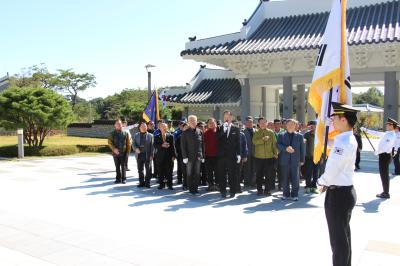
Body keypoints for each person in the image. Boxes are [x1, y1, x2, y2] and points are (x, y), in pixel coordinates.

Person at [317, 102, 359, 266]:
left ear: (343, 120)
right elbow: (333, 144)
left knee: (338, 242)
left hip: (338, 195)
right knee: (344, 237)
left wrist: (320, 181)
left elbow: (333, 168)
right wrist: (323, 134)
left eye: (335, 117)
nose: (332, 120)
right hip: (344, 192)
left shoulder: (344, 142)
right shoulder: (347, 138)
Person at [361, 118, 398, 199]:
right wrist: (366, 130)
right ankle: (385, 191)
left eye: (388, 124)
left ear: (392, 126)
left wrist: (377, 152)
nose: (386, 125)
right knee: (383, 174)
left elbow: (385, 147)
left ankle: (386, 193)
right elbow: (376, 133)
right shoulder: (387, 133)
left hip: (385, 156)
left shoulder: (391, 135)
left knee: (384, 174)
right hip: (383, 156)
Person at [277, 119, 305, 201]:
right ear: (286, 125)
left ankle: (294, 194)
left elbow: (302, 149)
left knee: (295, 178)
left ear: (295, 126)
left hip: (295, 161)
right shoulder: (281, 135)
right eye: (288, 124)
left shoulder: (300, 136)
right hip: (284, 160)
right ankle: (285, 194)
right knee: (284, 178)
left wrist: (302, 160)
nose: (290, 126)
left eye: (292, 124)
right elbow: (278, 145)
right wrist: (286, 148)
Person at [216, 110, 241, 198]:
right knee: (222, 174)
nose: (226, 118)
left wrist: (239, 154)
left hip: (232, 155)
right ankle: (223, 191)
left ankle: (232, 191)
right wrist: (224, 130)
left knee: (232, 174)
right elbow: (217, 138)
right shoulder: (219, 127)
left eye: (228, 116)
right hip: (221, 155)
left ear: (231, 117)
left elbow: (238, 142)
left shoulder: (236, 128)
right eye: (225, 116)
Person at [252, 117, 278, 196]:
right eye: (261, 123)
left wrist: (276, 153)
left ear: (267, 123)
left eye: (264, 123)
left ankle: (267, 190)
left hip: (269, 157)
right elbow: (254, 142)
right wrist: (262, 139)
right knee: (259, 175)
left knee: (268, 175)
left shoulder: (271, 133)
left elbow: (274, 144)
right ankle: (259, 190)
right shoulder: (256, 133)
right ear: (258, 124)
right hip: (258, 157)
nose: (262, 124)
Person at [181, 115, 204, 194]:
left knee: (197, 173)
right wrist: (184, 156)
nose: (193, 122)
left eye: (194, 121)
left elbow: (202, 145)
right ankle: (191, 188)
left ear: (196, 122)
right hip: (189, 157)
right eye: (191, 121)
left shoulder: (200, 131)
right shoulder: (185, 133)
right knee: (189, 173)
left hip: (198, 156)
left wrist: (203, 155)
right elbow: (183, 146)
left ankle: (196, 188)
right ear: (188, 122)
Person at [107, 119, 132, 184]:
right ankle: (118, 178)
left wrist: (128, 152)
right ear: (115, 125)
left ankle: (124, 179)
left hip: (123, 153)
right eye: (117, 124)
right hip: (115, 153)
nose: (119, 125)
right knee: (117, 166)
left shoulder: (125, 133)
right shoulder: (112, 133)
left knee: (123, 166)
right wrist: (114, 149)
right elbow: (110, 142)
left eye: (120, 124)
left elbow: (128, 144)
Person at [154, 122, 176, 189]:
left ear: (167, 128)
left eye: (165, 127)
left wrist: (174, 155)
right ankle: (161, 184)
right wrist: (161, 145)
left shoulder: (171, 136)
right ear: (159, 128)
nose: (164, 128)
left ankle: (170, 184)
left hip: (169, 156)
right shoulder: (156, 136)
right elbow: (155, 145)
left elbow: (173, 146)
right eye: (162, 127)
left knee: (169, 171)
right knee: (160, 171)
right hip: (160, 157)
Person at [133, 122, 154, 188]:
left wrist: (151, 155)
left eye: (145, 126)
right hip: (139, 155)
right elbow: (133, 144)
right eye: (142, 126)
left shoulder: (151, 135)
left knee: (148, 169)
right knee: (140, 169)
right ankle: (141, 182)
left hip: (147, 155)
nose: (144, 127)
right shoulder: (136, 135)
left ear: (147, 127)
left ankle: (147, 183)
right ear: (139, 128)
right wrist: (136, 149)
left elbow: (152, 146)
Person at [303, 120, 319, 194]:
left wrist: (321, 157)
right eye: (310, 126)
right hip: (308, 157)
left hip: (317, 157)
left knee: (316, 172)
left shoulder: (319, 135)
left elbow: (321, 146)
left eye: (313, 125)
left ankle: (314, 186)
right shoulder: (306, 134)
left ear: (316, 126)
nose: (312, 127)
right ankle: (308, 186)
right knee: (308, 172)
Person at [203, 118, 218, 191]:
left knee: (218, 171)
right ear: (208, 125)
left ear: (215, 123)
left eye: (213, 122)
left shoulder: (219, 132)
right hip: (208, 156)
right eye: (210, 123)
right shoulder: (205, 133)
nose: (211, 124)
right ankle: (210, 185)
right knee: (209, 172)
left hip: (218, 156)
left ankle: (217, 185)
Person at [242, 116, 257, 189]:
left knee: (254, 168)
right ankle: (247, 182)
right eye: (248, 122)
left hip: (255, 153)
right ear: (245, 123)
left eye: (251, 122)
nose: (249, 123)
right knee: (247, 169)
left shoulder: (256, 131)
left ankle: (253, 182)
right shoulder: (243, 132)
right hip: (247, 153)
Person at [173, 120, 187, 187]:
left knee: (186, 169)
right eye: (181, 126)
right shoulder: (178, 134)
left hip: (188, 155)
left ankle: (186, 181)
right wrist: (176, 153)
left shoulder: (189, 134)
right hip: (180, 154)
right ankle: (179, 179)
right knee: (180, 167)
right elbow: (176, 145)